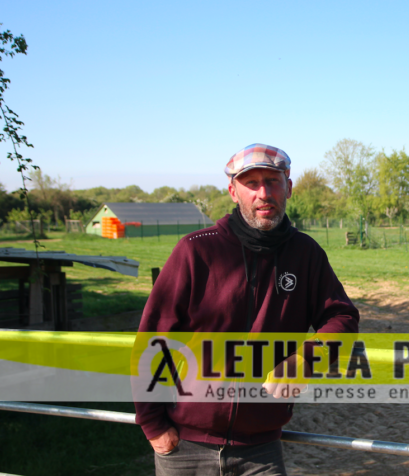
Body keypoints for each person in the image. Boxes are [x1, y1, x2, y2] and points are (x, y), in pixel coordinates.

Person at [134, 143, 360, 476]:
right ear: (233, 191)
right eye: (251, 183)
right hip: (185, 445)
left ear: (289, 186)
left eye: (273, 181)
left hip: (261, 449)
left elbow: (342, 316)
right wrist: (152, 424)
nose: (263, 192)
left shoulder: (306, 254)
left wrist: (304, 359)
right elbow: (154, 338)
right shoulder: (196, 251)